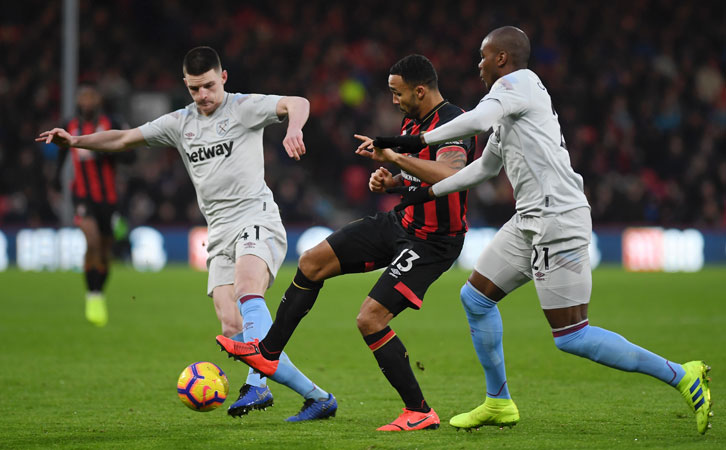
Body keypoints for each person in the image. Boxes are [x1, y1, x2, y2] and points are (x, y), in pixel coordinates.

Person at [368, 26, 713, 434]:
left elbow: (475, 120)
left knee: (572, 336)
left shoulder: (521, 83)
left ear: (501, 59)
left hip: (557, 217)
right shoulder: (510, 107)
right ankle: (498, 402)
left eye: (483, 56)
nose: (478, 64)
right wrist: (412, 192)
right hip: (529, 219)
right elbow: (482, 170)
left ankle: (681, 375)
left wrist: (409, 143)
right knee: (476, 299)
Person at [37, 46, 337, 422]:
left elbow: (298, 102)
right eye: (195, 89)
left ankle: (258, 386)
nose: (203, 96)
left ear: (223, 77)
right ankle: (318, 397)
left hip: (254, 216)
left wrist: (293, 128)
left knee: (248, 291)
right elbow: (122, 139)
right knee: (231, 327)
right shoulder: (180, 123)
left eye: (209, 86)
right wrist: (76, 141)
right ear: (186, 85)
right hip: (218, 231)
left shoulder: (243, 107)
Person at [217, 54, 476, 431]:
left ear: (420, 91)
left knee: (370, 319)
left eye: (397, 92)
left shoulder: (453, 122)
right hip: (400, 222)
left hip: (433, 241)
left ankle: (419, 411)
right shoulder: (412, 120)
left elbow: (453, 173)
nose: (392, 100)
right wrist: (392, 182)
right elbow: (422, 179)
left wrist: (397, 161)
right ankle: (268, 354)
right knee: (311, 262)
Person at [53, 84, 124, 327]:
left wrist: (107, 151)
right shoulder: (70, 126)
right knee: (91, 240)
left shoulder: (111, 122)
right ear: (78, 101)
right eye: (83, 97)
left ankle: (99, 293)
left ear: (98, 100)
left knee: (105, 251)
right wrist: (55, 182)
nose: (87, 101)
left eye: (91, 96)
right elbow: (62, 157)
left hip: (109, 198)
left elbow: (130, 155)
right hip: (82, 196)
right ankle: (91, 294)